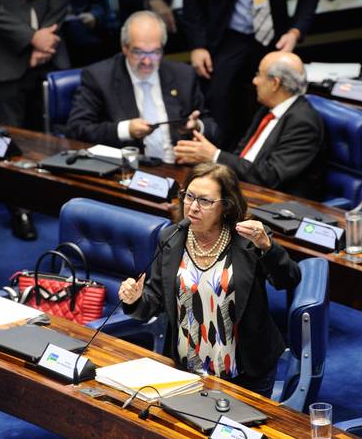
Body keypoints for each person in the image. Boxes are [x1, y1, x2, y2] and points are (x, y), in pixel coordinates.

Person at [118, 163, 301, 397]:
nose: (193, 207)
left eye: (204, 201)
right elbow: (155, 300)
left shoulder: (248, 240)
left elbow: (288, 279)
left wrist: (267, 246)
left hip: (245, 370)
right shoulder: (171, 238)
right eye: (189, 196)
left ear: (226, 206)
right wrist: (134, 299)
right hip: (185, 367)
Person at [0, 0, 71, 240]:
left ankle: (52, 199)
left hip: (51, 50)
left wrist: (45, 39)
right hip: (2, 52)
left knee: (52, 136)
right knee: (10, 141)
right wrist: (31, 38)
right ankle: (20, 209)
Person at [66, 10, 217, 163]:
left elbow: (212, 127)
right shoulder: (99, 77)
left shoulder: (183, 75)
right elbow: (76, 129)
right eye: (138, 52)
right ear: (125, 47)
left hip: (179, 167)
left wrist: (197, 126)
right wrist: (126, 130)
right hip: (130, 168)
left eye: (155, 52)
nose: (147, 61)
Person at [173, 51, 325, 200]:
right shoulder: (267, 109)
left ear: (275, 83)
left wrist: (214, 156)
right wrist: (206, 159)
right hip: (244, 188)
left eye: (259, 74)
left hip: (277, 201)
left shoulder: (304, 123)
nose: (254, 81)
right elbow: (241, 155)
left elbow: (270, 176)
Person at [182, 0, 319, 151]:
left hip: (275, 37)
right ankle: (218, 157)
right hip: (227, 36)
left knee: (275, 99)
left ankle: (265, 153)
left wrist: (295, 32)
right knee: (219, 100)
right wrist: (198, 45)